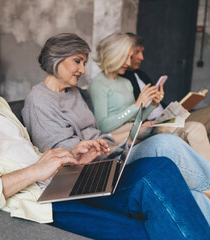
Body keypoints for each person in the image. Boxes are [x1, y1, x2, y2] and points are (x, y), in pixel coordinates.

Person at [0, 21, 210, 239]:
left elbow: (29, 152)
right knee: (146, 224)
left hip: (63, 181)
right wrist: (36, 171)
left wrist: (69, 154)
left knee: (159, 168)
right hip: (40, 201)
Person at [21, 32, 210, 224]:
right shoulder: (39, 100)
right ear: (55, 59)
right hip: (91, 168)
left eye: (84, 63)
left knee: (193, 191)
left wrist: (132, 134)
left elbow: (100, 134)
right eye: (77, 61)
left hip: (107, 154)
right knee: (166, 144)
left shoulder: (75, 92)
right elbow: (65, 155)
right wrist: (115, 144)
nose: (83, 70)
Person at [120, 32, 210, 161]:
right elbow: (133, 116)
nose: (142, 57)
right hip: (155, 124)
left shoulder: (141, 74)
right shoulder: (123, 81)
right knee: (198, 126)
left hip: (167, 117)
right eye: (137, 52)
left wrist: (175, 108)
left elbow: (156, 105)